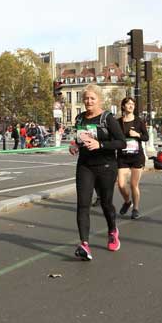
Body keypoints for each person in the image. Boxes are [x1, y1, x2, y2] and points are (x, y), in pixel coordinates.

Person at [69, 85, 126, 260]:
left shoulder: (107, 118)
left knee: (106, 203)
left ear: (99, 100)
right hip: (85, 165)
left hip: (106, 166)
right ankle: (84, 244)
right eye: (86, 98)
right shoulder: (79, 119)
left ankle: (112, 230)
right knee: (83, 204)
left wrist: (100, 145)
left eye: (92, 98)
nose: (88, 102)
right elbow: (79, 139)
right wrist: (74, 146)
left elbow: (121, 142)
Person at [116, 97, 149, 219]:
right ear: (123, 106)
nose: (131, 106)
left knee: (134, 185)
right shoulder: (118, 122)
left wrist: (137, 135)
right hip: (123, 157)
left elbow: (146, 137)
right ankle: (127, 201)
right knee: (120, 184)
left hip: (136, 156)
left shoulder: (139, 121)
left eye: (132, 104)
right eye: (128, 104)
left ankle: (135, 208)